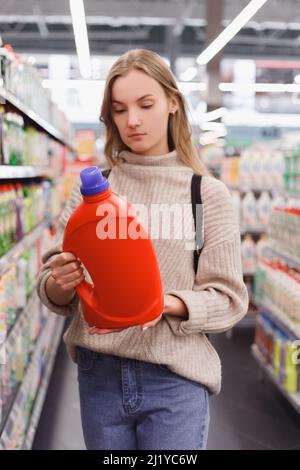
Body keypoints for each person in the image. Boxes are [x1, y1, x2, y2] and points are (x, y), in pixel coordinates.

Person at [37, 49, 249, 451]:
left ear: (172, 102)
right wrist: (60, 283)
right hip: (98, 375)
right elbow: (50, 286)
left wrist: (163, 303)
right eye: (119, 109)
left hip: (175, 379)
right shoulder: (94, 190)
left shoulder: (204, 194)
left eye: (145, 104)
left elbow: (230, 301)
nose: (132, 120)